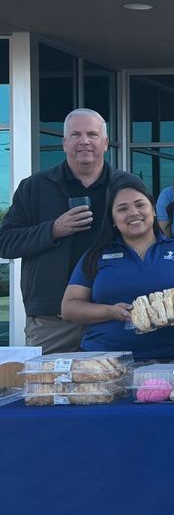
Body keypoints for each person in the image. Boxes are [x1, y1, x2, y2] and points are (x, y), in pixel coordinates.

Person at [0, 108, 136, 353]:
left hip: (112, 314)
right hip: (52, 320)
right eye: (76, 135)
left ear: (105, 143)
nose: (84, 141)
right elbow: (6, 242)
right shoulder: (35, 187)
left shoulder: (126, 186)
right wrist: (53, 229)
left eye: (92, 134)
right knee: (49, 390)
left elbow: (147, 241)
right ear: (64, 143)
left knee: (113, 388)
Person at [61, 177, 174, 361]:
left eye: (140, 205)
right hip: (103, 362)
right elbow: (69, 308)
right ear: (113, 219)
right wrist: (110, 312)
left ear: (153, 210)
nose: (133, 212)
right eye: (122, 209)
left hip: (167, 360)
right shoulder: (97, 255)